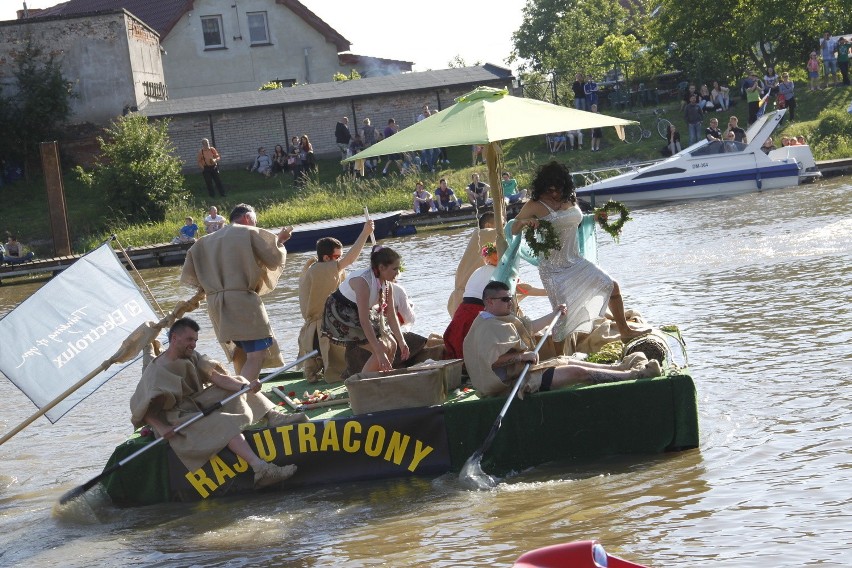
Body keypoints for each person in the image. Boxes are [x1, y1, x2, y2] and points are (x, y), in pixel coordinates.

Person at [129, 318, 304, 487]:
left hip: (196, 402)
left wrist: (246, 386)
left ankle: (272, 416)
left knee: (238, 383)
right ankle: (261, 469)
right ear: (174, 338)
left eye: (195, 340)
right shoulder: (156, 371)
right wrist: (161, 428)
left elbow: (218, 378)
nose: (194, 344)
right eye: (190, 339)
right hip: (175, 419)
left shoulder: (191, 355)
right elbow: (143, 409)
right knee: (224, 422)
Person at [511, 161, 650, 343]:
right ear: (543, 186)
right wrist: (526, 221)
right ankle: (561, 352)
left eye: (558, 189)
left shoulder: (570, 197)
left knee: (612, 286)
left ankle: (625, 331)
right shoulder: (535, 204)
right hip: (553, 268)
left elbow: (572, 221)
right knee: (563, 314)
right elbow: (513, 228)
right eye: (550, 189)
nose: (554, 194)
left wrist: (594, 218)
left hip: (575, 261)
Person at [463, 281, 661, 398]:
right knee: (577, 372)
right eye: (505, 300)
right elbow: (492, 361)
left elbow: (527, 329)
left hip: (521, 373)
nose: (510, 303)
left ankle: (620, 368)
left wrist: (554, 314)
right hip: (510, 386)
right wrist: (522, 357)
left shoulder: (497, 318)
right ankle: (634, 376)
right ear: (489, 302)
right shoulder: (487, 327)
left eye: (511, 298)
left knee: (567, 360)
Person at [181, 204, 293, 384]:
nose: (256, 224)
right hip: (241, 300)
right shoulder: (248, 232)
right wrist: (279, 241)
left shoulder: (203, 242)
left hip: (215, 303)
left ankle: (244, 393)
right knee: (257, 353)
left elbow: (190, 276)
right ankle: (241, 397)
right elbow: (274, 260)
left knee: (240, 351)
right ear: (248, 218)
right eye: (255, 220)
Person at [298, 222, 374, 383]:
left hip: (323, 326)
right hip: (322, 330)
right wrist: (365, 233)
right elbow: (351, 259)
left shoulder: (320, 268)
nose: (340, 261)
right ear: (326, 258)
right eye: (337, 257)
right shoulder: (318, 269)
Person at [443, 243, 545, 360]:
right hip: (478, 315)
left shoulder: (479, 270)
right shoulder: (501, 274)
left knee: (462, 351)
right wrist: (548, 292)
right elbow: (525, 290)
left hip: (461, 313)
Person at [322, 246, 409, 373]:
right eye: (395, 269)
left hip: (358, 311)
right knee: (382, 348)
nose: (398, 272)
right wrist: (379, 353)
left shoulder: (387, 284)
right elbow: (364, 320)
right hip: (341, 312)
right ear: (381, 268)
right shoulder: (363, 282)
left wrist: (402, 341)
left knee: (393, 345)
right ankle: (363, 385)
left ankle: (381, 381)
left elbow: (391, 315)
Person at [447, 212, 497, 316]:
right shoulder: (482, 233)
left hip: (464, 299)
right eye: (501, 223)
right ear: (488, 225)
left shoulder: (486, 243)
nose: (503, 226)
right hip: (467, 300)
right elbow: (507, 232)